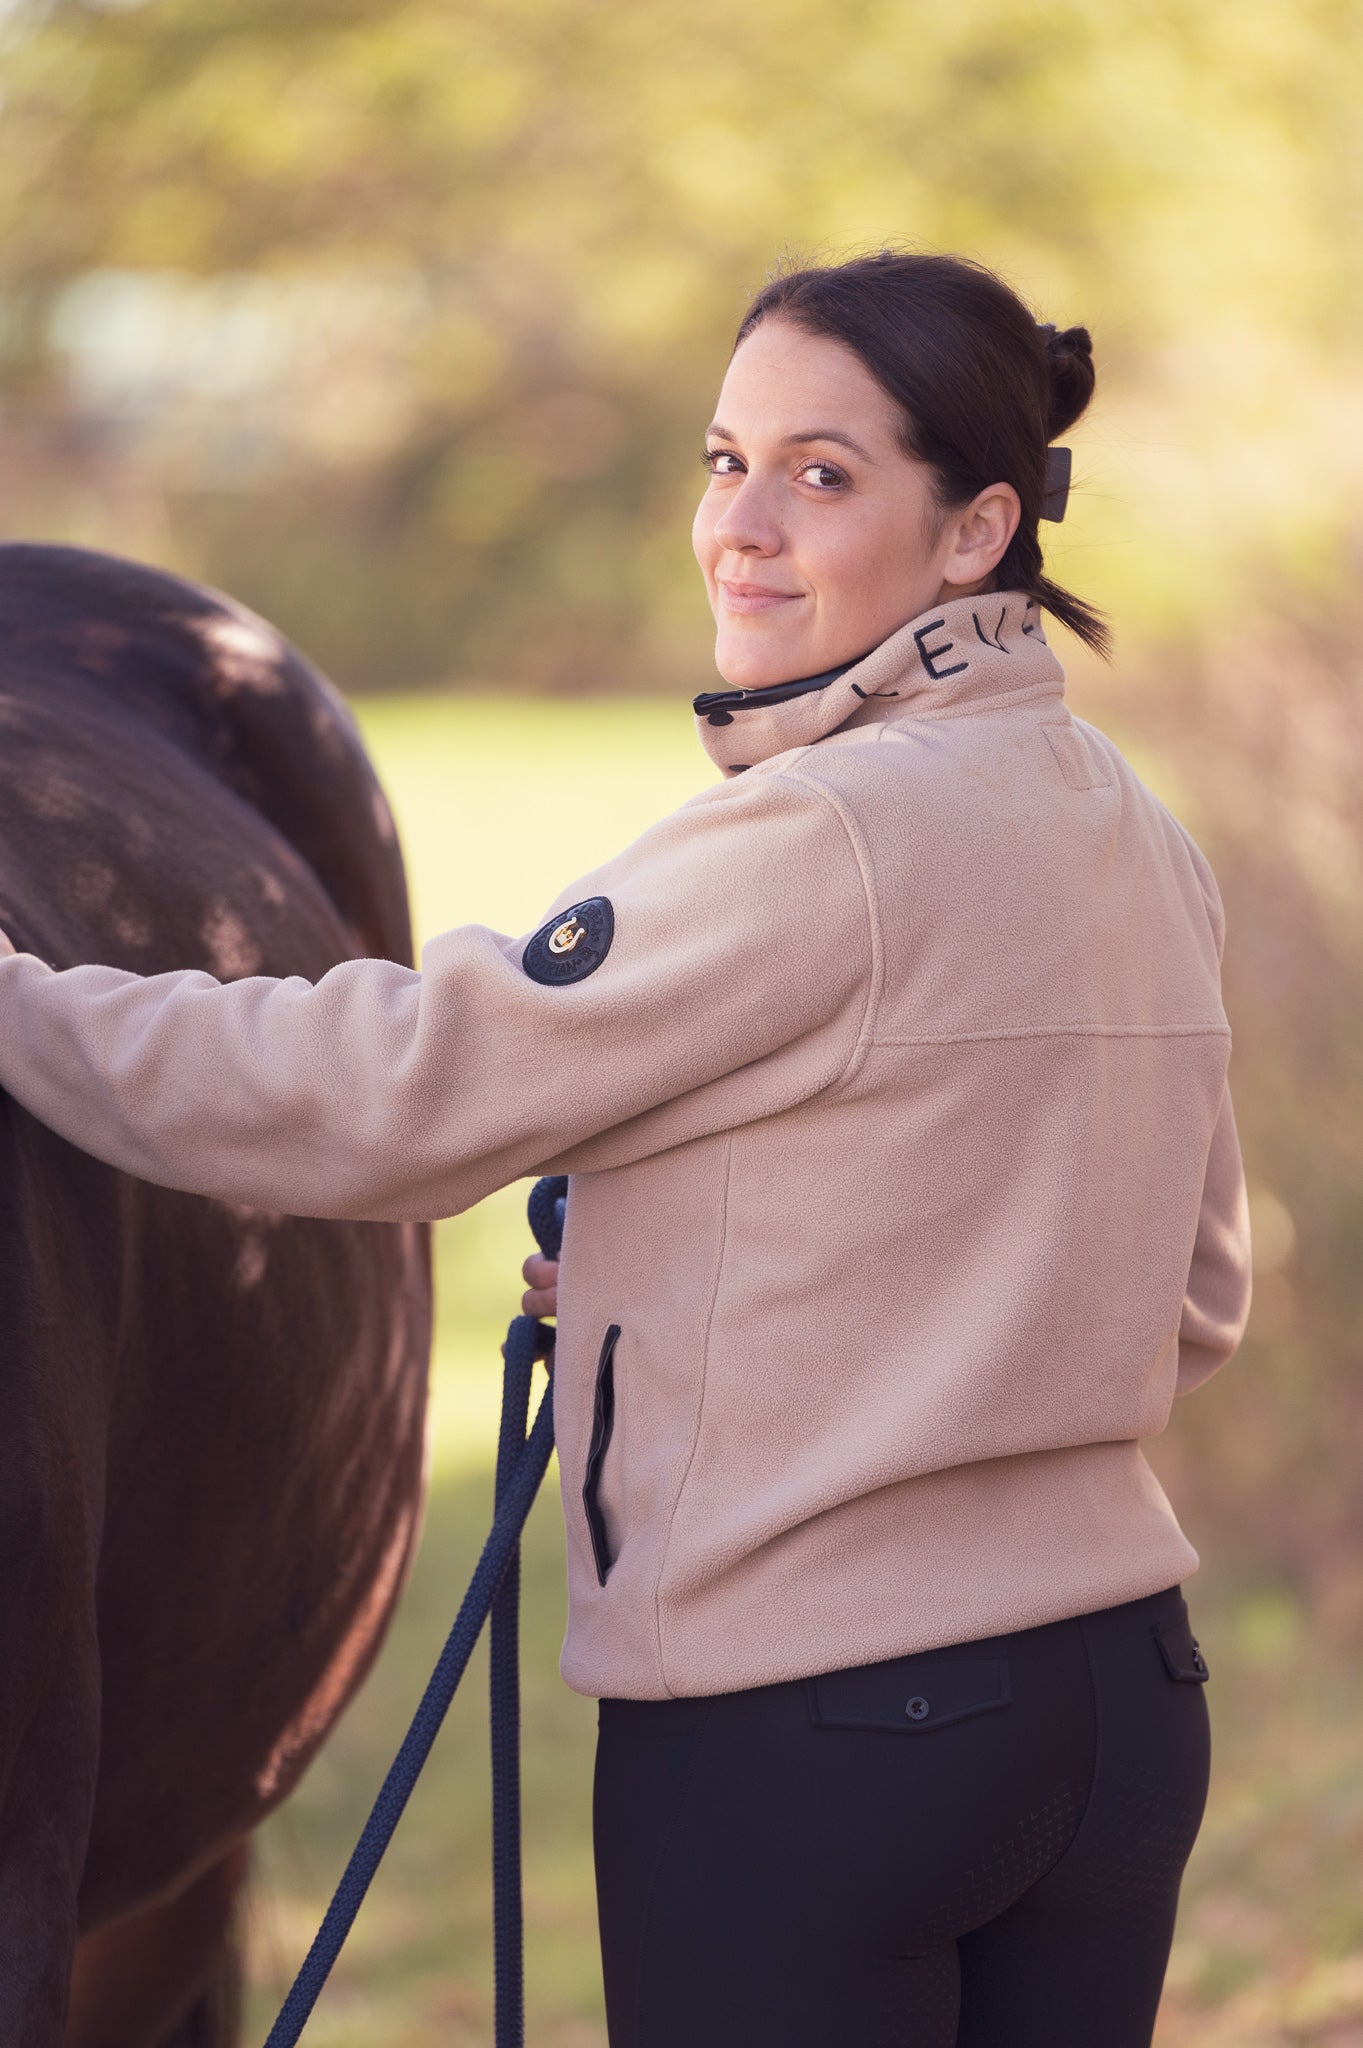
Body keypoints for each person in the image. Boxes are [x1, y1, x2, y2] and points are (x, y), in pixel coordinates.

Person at [0, 250, 1251, 2046]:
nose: (742, 525)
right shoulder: (1144, 834)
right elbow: (1189, 1294)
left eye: (821, 475)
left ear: (976, 532)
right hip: (1125, 1706)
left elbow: (396, 1093)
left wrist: (25, 1009)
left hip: (816, 1740)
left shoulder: (809, 838)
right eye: (724, 460)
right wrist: (705, 1273)